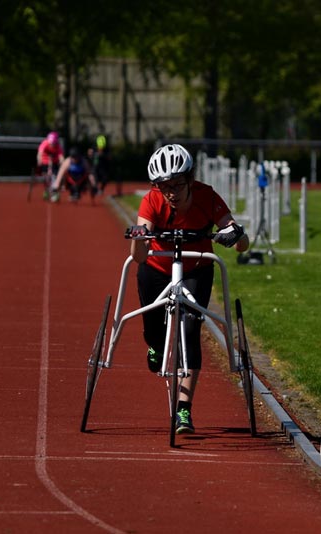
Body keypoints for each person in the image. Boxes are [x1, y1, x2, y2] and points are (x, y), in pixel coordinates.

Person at [127, 144, 250, 434]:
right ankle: (156, 345)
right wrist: (139, 235)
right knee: (153, 327)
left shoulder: (207, 197)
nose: (171, 192)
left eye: (177, 185)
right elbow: (140, 256)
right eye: (164, 186)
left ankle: (183, 408)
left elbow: (241, 240)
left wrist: (234, 234)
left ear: (190, 180)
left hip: (196, 268)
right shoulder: (152, 201)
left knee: (191, 330)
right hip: (156, 268)